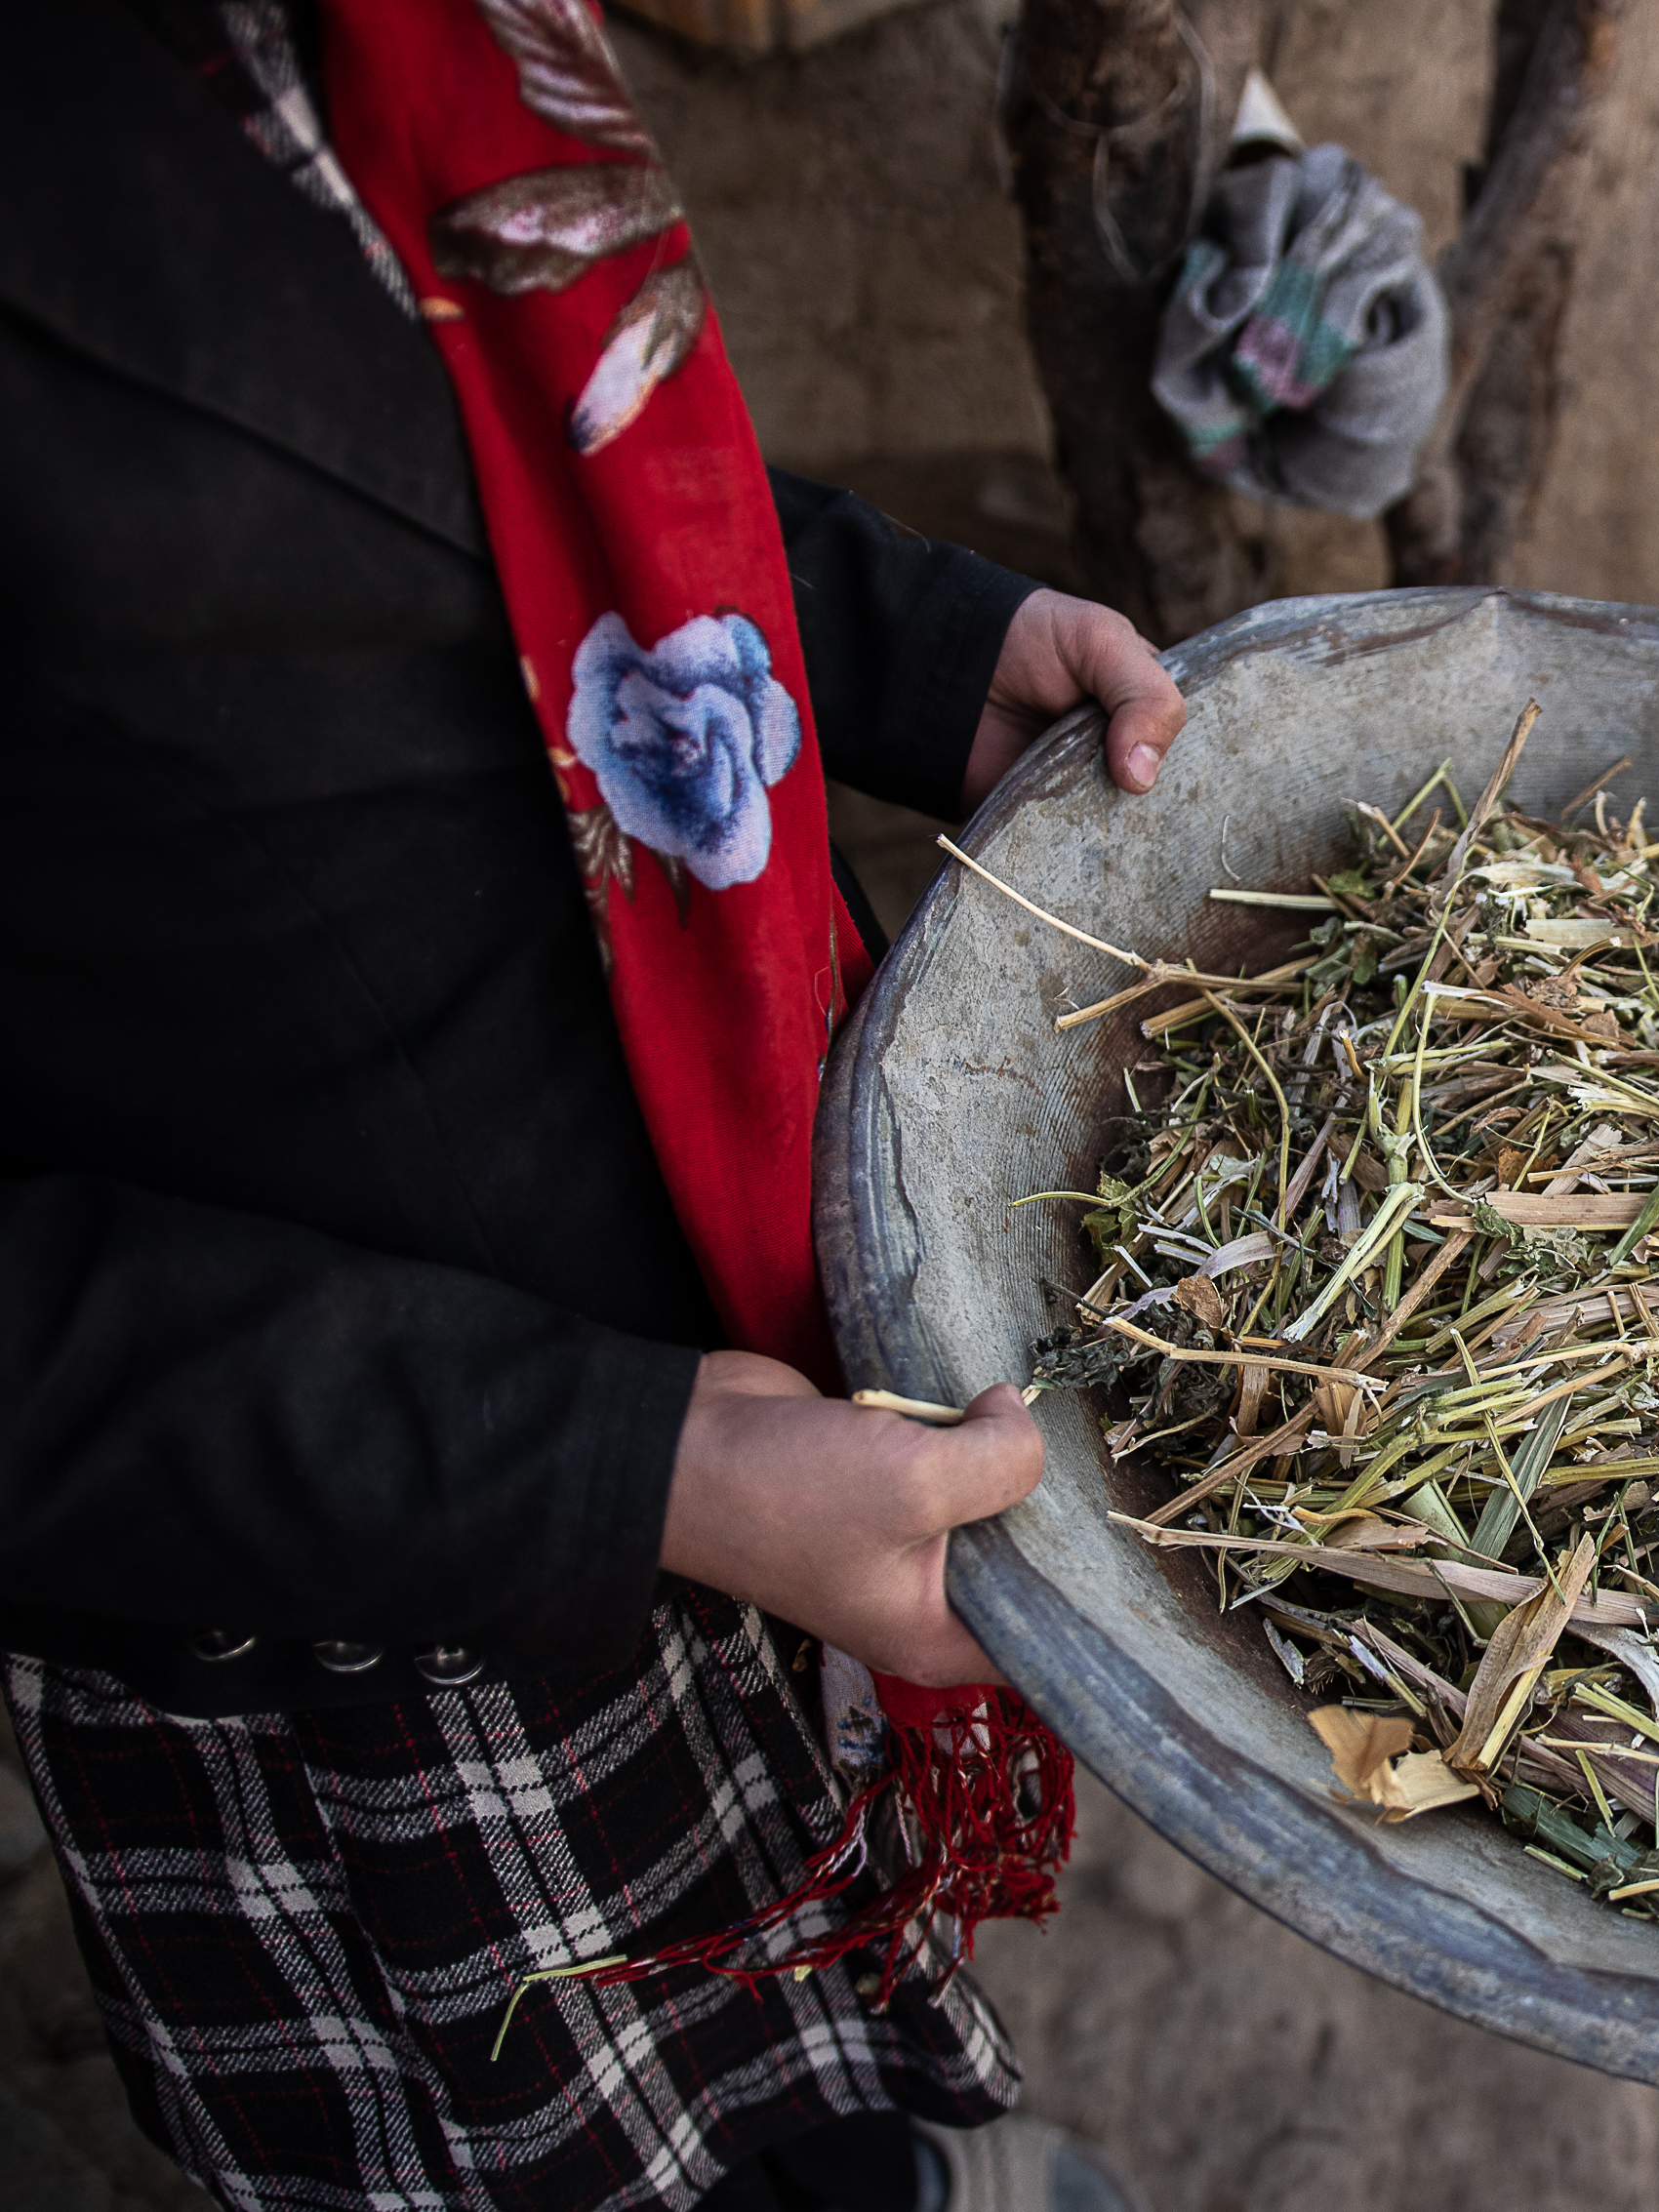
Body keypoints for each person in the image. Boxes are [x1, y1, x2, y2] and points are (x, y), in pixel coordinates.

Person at [0, 3, 1182, 2206]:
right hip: (373, 1512)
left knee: (800, 1966)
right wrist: (627, 1467)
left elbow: (508, 466)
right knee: (580, 2122)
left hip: (717, 1267)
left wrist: (919, 646)